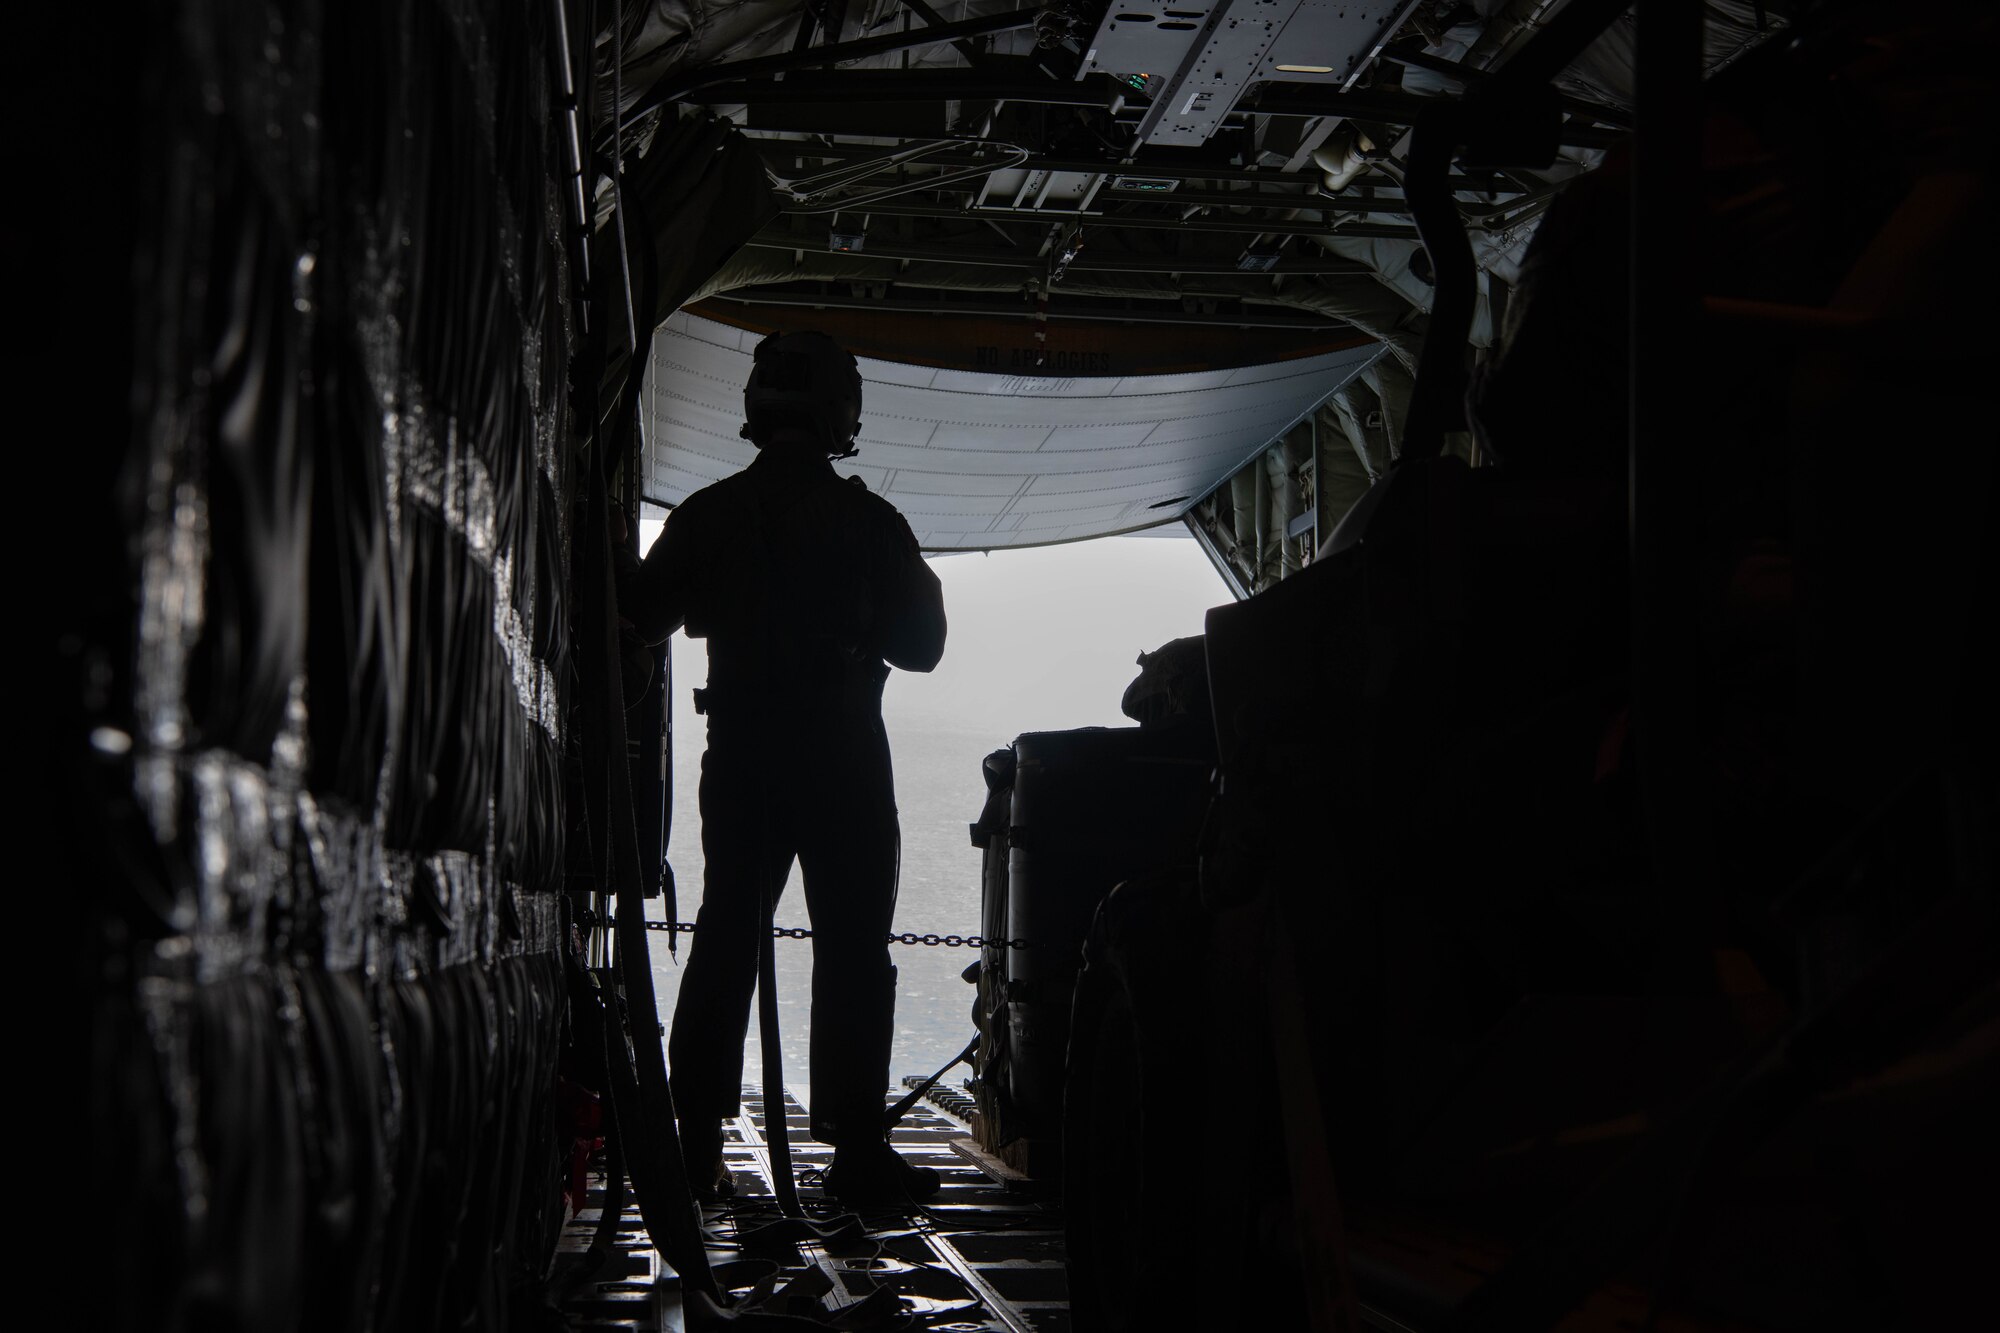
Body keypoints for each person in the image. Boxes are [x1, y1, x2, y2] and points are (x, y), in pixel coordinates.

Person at [621, 330, 947, 1203]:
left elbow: (640, 615)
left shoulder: (709, 514)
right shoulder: (871, 523)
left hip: (744, 756)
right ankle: (854, 1153)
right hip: (844, 755)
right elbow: (924, 645)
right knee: (852, 946)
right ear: (843, 413)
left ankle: (695, 1149)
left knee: (727, 937)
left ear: (758, 409)